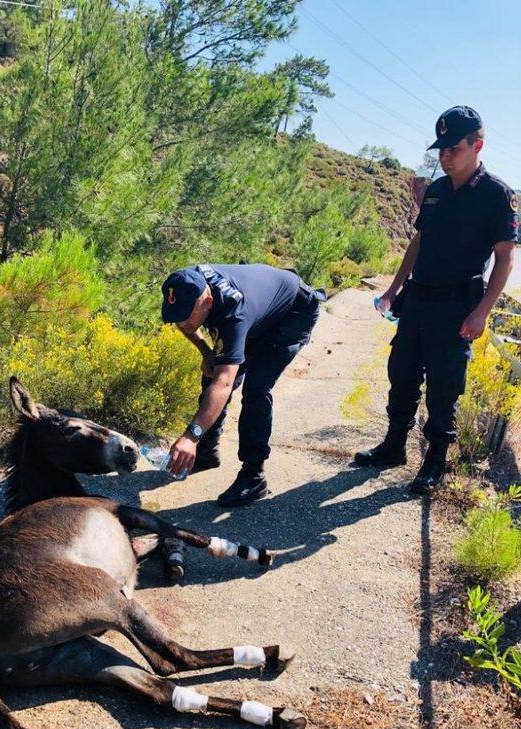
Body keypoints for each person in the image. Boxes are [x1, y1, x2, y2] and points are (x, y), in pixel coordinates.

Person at [355, 106, 518, 494]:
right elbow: (419, 241)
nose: (444, 156)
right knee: (402, 374)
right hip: (418, 301)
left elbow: (505, 257)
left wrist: (482, 312)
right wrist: (394, 289)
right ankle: (393, 447)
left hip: (458, 306)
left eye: (453, 148)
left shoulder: (498, 195)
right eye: (440, 149)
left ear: (477, 145)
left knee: (444, 387)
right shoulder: (437, 191)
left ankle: (434, 464)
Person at [160, 263, 323, 506]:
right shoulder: (186, 282)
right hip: (259, 311)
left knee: (256, 388)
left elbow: (225, 382)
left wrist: (191, 436)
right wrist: (207, 352)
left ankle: (254, 476)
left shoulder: (233, 312)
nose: (181, 324)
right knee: (213, 371)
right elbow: (189, 325)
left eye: (186, 316)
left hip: (292, 314)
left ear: (207, 301)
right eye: (176, 316)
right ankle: (206, 453)